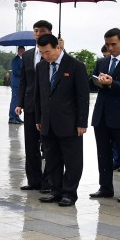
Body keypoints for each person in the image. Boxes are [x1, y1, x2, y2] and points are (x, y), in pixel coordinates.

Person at [35, 34, 89, 207]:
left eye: (48, 52)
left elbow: (83, 97)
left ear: (58, 47)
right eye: (42, 52)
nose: (45, 56)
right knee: (52, 159)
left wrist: (82, 122)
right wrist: (39, 117)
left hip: (70, 123)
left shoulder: (76, 66)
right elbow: (39, 95)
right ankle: (55, 190)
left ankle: (69, 193)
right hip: (48, 122)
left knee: (72, 161)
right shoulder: (41, 66)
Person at [88, 28, 120, 202]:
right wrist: (95, 82)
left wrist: (113, 83)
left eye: (114, 44)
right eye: (108, 44)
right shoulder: (102, 62)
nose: (111, 47)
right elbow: (91, 85)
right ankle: (105, 187)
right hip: (101, 115)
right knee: (103, 153)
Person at [15, 20, 53, 192]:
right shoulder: (28, 55)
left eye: (42, 30)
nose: (38, 33)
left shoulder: (55, 53)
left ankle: (49, 182)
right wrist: (19, 102)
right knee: (31, 146)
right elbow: (23, 80)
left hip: (48, 106)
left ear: (50, 32)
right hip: (30, 105)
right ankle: (34, 180)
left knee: (48, 146)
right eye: (36, 31)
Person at [8, 46, 25, 124]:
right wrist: (24, 73)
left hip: (20, 84)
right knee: (15, 100)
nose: (23, 53)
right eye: (21, 51)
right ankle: (12, 117)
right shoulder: (15, 60)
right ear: (18, 51)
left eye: (23, 51)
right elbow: (15, 71)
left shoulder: (22, 60)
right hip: (16, 83)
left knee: (19, 101)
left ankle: (17, 116)